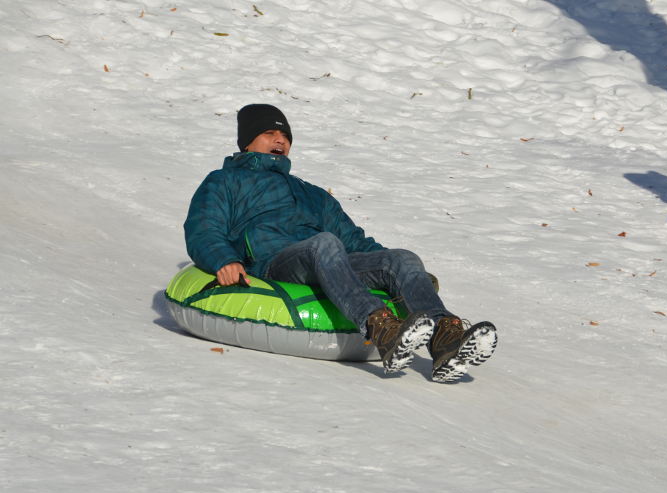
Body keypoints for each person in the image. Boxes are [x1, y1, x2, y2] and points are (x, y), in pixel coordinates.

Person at [184, 104, 497, 381]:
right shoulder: (224, 181)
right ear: (247, 140)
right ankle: (381, 330)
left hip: (326, 258)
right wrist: (224, 259)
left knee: (401, 258)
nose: (280, 141)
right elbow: (203, 228)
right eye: (269, 134)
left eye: (286, 137)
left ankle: (445, 341)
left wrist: (406, 278)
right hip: (274, 262)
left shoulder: (311, 193)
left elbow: (354, 241)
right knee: (325, 243)